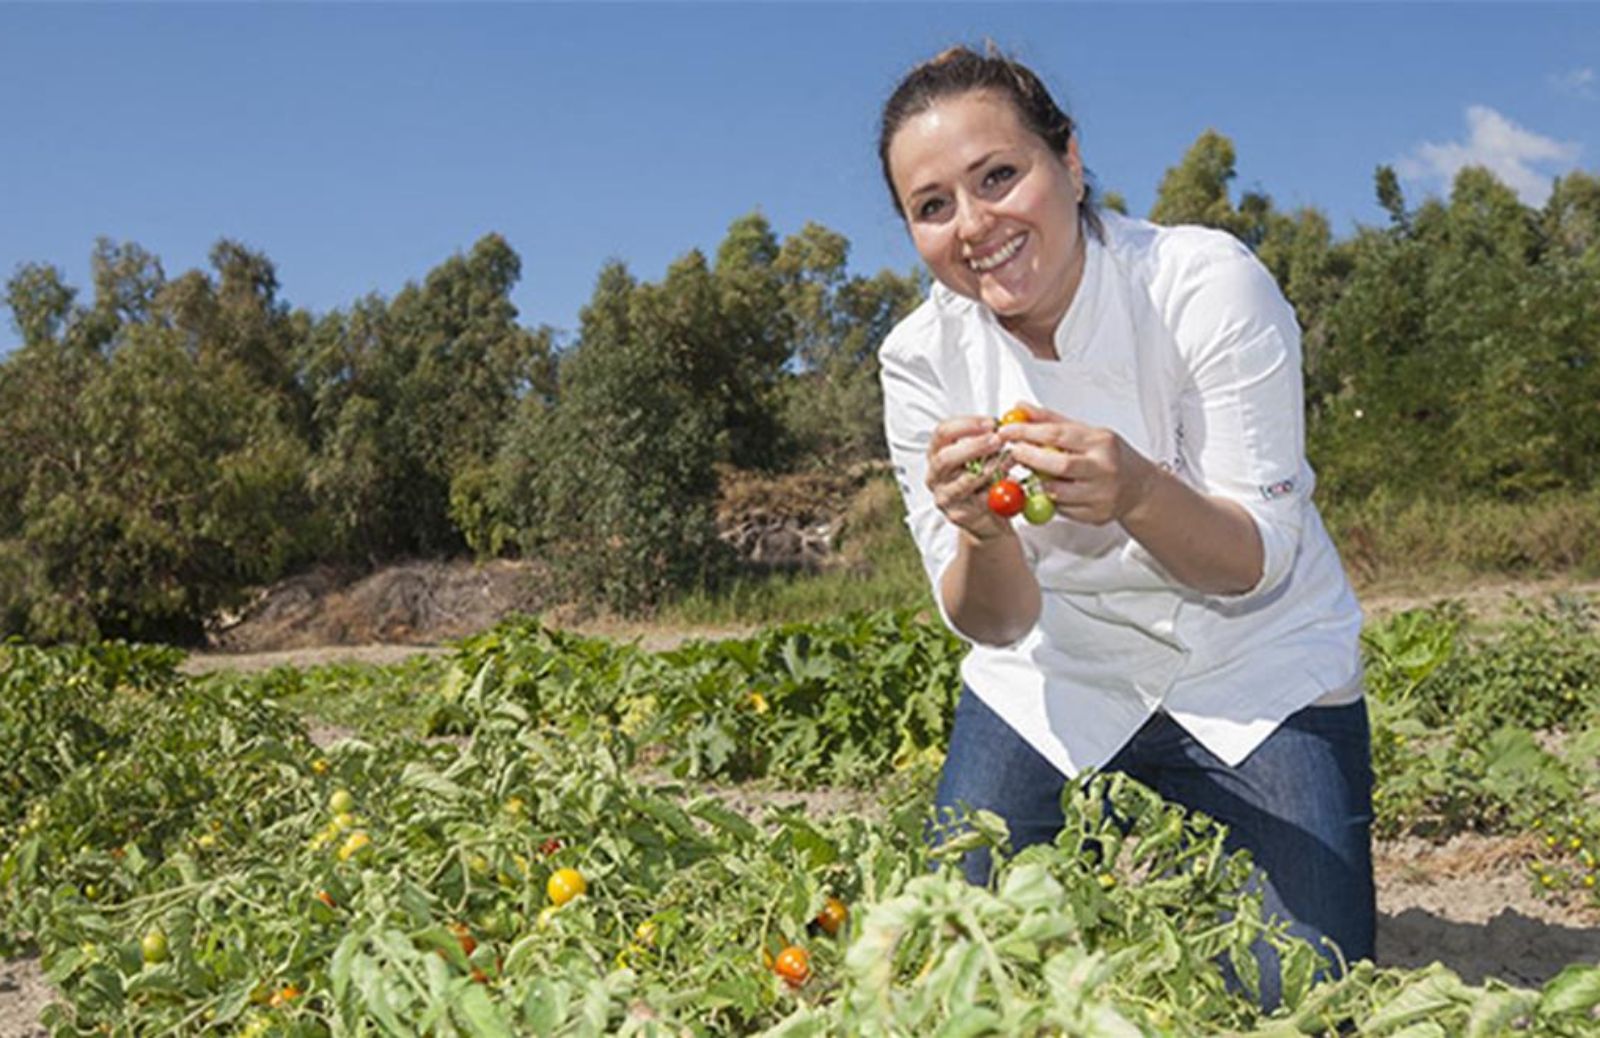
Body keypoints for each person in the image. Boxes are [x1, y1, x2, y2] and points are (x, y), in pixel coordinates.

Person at [875, 44, 1373, 1009]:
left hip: (1252, 668)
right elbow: (995, 625)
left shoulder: (1203, 284)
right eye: (933, 206)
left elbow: (1254, 566)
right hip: (1057, 674)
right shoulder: (920, 358)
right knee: (953, 975)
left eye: (999, 176)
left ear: (1068, 159)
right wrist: (981, 531)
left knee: (1298, 997)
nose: (975, 226)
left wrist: (1140, 491)